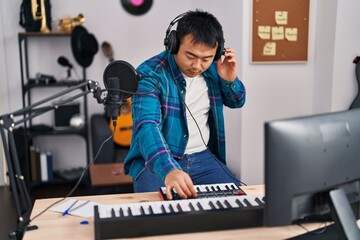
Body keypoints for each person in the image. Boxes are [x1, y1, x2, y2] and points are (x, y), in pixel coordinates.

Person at [124, 9, 246, 200]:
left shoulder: (216, 68)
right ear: (173, 44)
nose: (197, 66)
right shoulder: (149, 74)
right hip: (155, 161)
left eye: (206, 59)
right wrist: (168, 169)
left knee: (239, 205)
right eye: (190, 56)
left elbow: (237, 102)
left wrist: (229, 80)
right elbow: (146, 126)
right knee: (161, 217)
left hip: (203, 158)